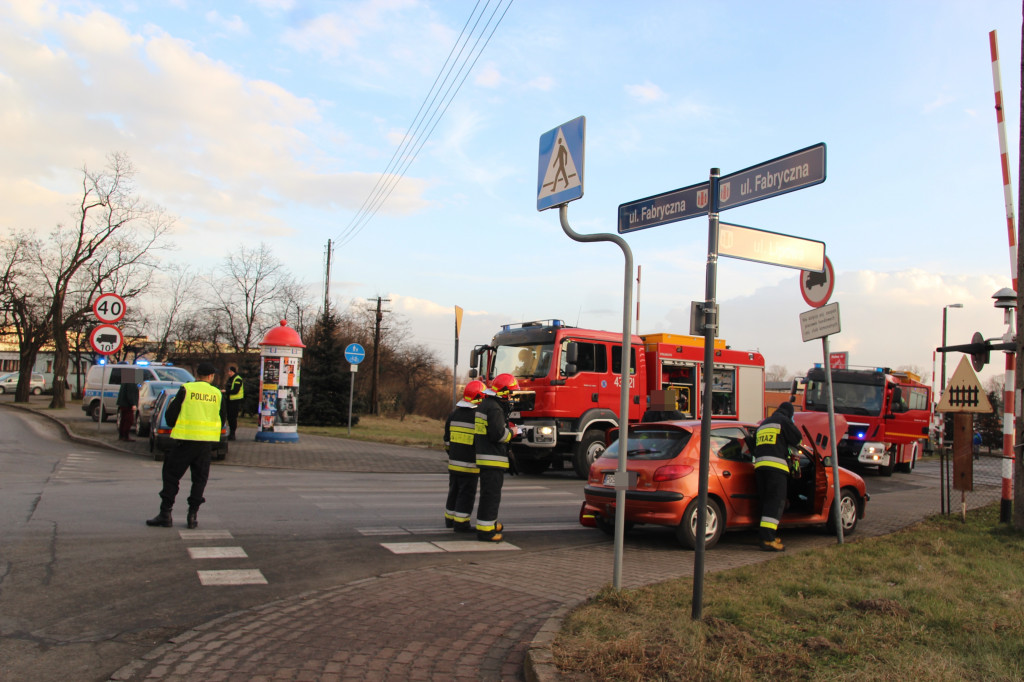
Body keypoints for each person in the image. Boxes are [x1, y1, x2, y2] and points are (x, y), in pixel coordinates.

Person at [146, 362, 226, 530]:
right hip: (205, 444)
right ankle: (192, 515)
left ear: (197, 374)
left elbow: (170, 415)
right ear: (211, 377)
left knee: (171, 476)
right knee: (199, 480)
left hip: (184, 442)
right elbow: (222, 418)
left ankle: (165, 514)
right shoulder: (217, 394)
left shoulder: (186, 390)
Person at [474, 373, 519, 542]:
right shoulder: (494, 408)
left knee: (489, 495)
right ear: (504, 392)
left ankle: (488, 524)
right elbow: (498, 435)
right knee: (491, 496)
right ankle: (486, 531)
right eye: (510, 393)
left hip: (486, 457)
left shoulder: (486, 404)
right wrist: (513, 432)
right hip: (492, 458)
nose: (511, 397)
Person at [753, 401, 802, 552]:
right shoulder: (783, 421)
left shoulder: (763, 424)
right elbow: (797, 439)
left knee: (766, 502)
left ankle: (766, 536)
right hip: (776, 469)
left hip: (760, 468)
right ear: (789, 414)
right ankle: (768, 540)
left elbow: (752, 444)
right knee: (775, 503)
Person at [443, 380, 485, 533]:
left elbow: (446, 441)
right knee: (466, 494)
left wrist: (452, 453)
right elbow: (481, 442)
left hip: (453, 464)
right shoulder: (478, 417)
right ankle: (461, 524)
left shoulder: (453, 415)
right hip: (470, 466)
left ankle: (450, 519)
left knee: (453, 491)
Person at [224, 365, 244, 440]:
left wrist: (226, 391)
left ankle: (232, 434)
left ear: (233, 372)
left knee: (233, 418)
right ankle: (231, 433)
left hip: (235, 402)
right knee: (229, 417)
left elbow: (235, 391)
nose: (228, 373)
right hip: (229, 401)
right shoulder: (231, 379)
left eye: (229, 371)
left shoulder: (237, 379)